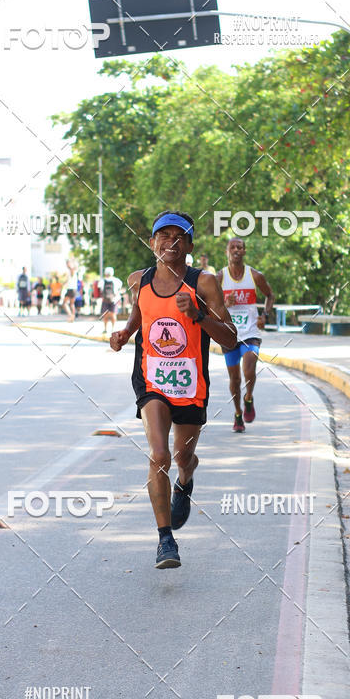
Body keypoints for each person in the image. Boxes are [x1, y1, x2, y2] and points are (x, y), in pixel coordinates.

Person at [110, 211, 237, 568]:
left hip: (190, 384)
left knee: (181, 457)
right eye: (163, 236)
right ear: (152, 243)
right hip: (151, 381)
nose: (170, 242)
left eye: (178, 236)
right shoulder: (140, 280)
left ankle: (186, 478)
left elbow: (230, 340)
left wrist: (199, 314)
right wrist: (123, 334)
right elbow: (140, 316)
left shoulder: (205, 283)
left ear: (190, 245)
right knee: (159, 455)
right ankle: (166, 540)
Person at [217, 237, 274, 433]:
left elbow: (270, 295)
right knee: (234, 379)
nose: (236, 250)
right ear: (227, 251)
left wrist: (264, 315)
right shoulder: (219, 277)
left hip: (250, 331)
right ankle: (238, 413)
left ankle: (248, 396)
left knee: (249, 367)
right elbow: (209, 305)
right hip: (229, 334)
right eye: (232, 247)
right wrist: (225, 302)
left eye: (239, 247)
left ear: (244, 251)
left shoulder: (255, 276)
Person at [98, 266, 123, 334]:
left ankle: (105, 329)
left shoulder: (102, 281)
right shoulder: (117, 280)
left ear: (105, 273)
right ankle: (113, 329)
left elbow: (100, 290)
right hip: (114, 300)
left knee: (105, 315)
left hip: (105, 300)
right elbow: (120, 289)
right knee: (113, 315)